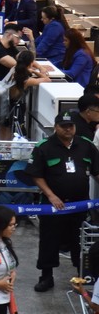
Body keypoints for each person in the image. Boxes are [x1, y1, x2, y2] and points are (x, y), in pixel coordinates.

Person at [25, 110, 99, 292]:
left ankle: (81, 276)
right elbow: (36, 175)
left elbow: (96, 171)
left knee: (80, 240)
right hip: (52, 206)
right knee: (49, 240)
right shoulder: (45, 147)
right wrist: (51, 195)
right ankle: (46, 276)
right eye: (63, 127)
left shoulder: (86, 145)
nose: (68, 130)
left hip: (79, 204)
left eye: (70, 126)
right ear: (56, 127)